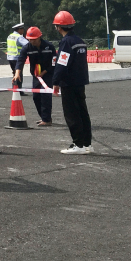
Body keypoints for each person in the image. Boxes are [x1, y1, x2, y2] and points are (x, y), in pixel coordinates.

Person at [52, 11, 92, 154]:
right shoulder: (80, 41)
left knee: (72, 114)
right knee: (82, 113)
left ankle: (78, 144)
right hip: (80, 81)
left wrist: (56, 81)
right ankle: (87, 144)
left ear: (58, 27)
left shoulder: (66, 42)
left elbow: (62, 63)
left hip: (69, 83)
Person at [13, 27, 56, 126]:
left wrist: (44, 72)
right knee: (36, 96)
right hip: (36, 75)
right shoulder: (27, 47)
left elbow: (54, 62)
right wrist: (17, 73)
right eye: (30, 39)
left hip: (48, 74)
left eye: (34, 39)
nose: (32, 41)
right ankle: (44, 117)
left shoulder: (49, 46)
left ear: (40, 37)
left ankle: (46, 119)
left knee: (45, 96)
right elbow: (21, 60)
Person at [7, 23, 29, 91]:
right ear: (19, 29)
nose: (23, 31)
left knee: (14, 73)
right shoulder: (19, 37)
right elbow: (27, 44)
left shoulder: (10, 36)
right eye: (22, 29)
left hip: (10, 57)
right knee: (19, 74)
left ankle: (14, 88)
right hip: (17, 58)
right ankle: (19, 90)